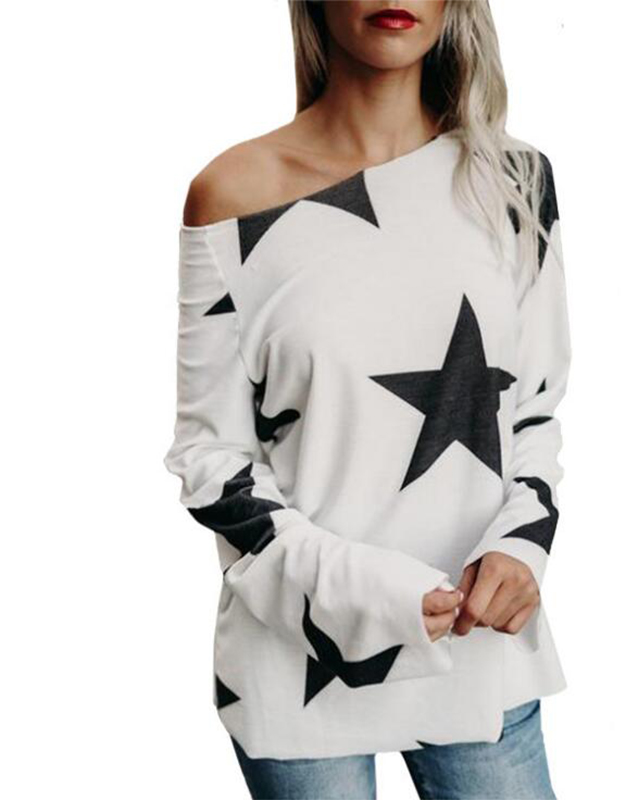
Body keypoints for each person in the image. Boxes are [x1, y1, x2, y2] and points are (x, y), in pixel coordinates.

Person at [162, 1, 572, 798]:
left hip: (477, 646)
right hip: (297, 656)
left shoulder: (514, 181)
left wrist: (523, 550)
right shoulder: (233, 197)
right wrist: (362, 589)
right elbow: (209, 459)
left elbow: (535, 408)